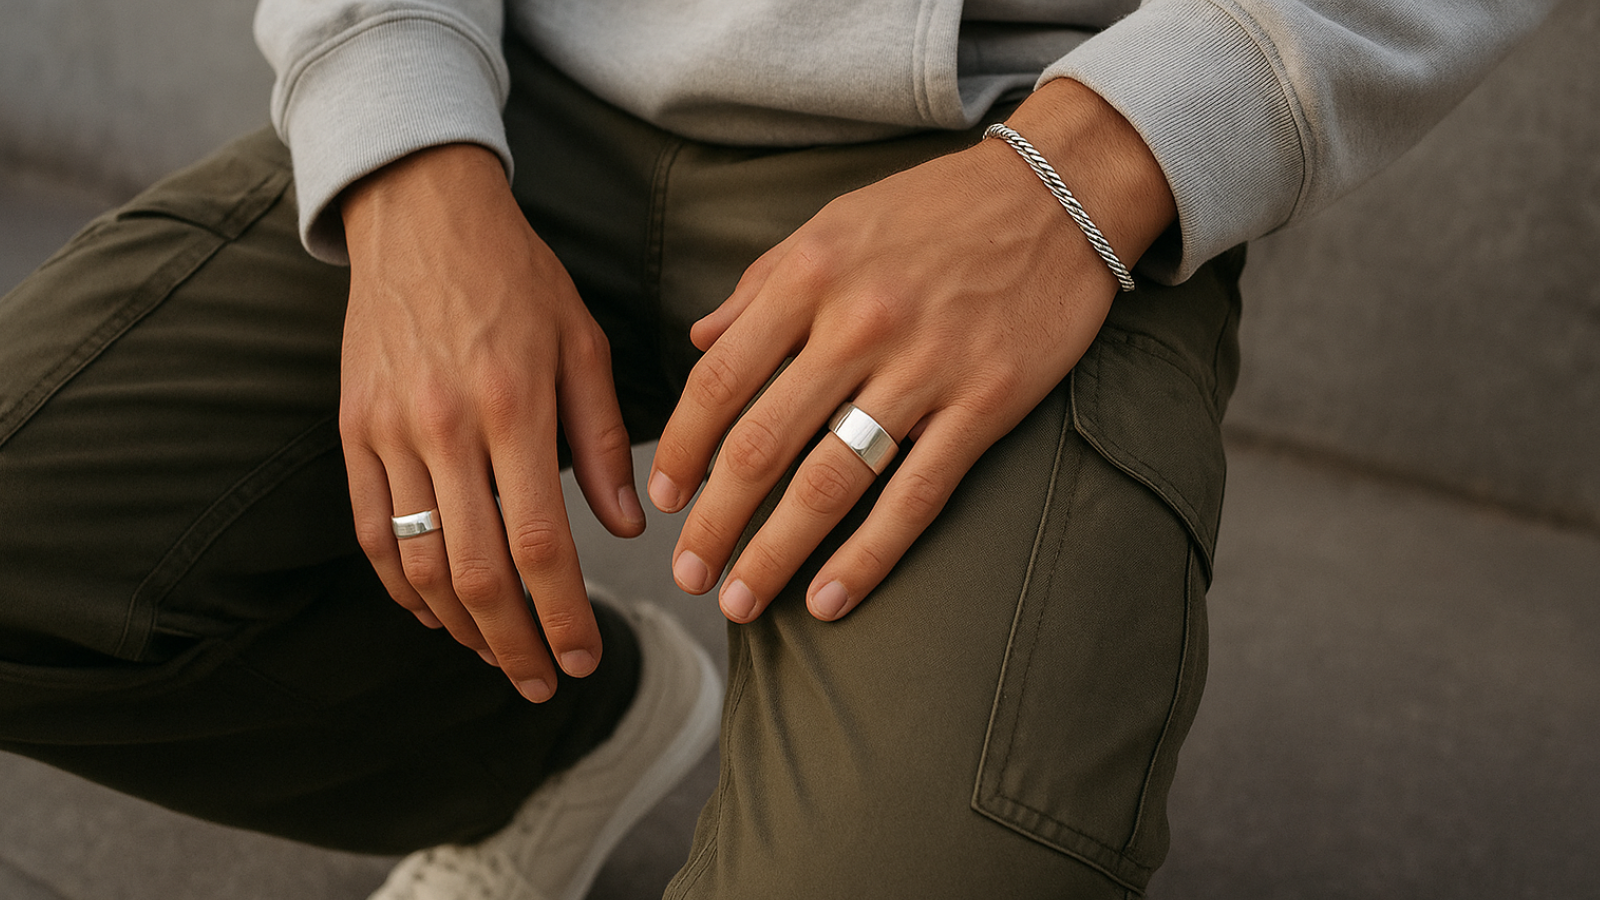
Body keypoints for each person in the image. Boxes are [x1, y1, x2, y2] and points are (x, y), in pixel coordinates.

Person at [0, 0, 1554, 897]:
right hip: (519, 83)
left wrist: (1097, 163)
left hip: (1020, 141)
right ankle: (549, 744)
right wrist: (404, 153)